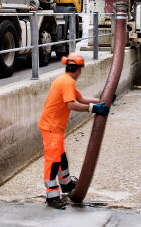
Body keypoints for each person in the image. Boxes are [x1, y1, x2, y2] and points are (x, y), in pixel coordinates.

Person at [37, 53, 109, 209]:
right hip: (51, 128)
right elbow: (72, 105)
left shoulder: (65, 80)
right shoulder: (67, 82)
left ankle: (66, 183)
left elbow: (81, 99)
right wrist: (93, 108)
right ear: (79, 70)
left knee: (61, 158)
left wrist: (102, 101)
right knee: (53, 162)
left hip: (53, 127)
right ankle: (52, 196)